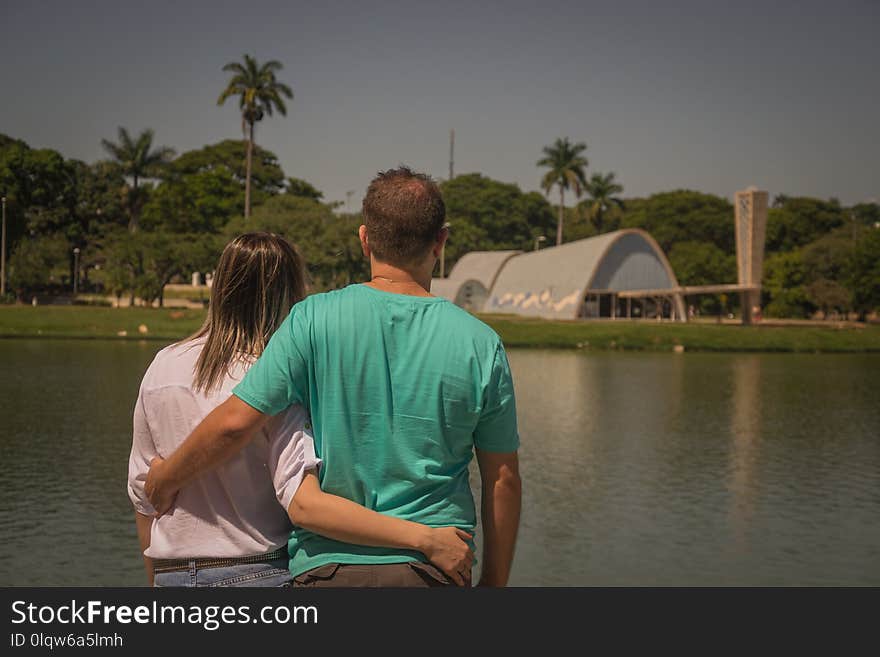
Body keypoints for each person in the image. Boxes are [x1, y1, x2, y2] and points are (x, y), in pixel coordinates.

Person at [146, 167, 522, 587]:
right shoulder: (481, 343)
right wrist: (494, 583)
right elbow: (502, 479)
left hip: (327, 571)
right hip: (434, 570)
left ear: (365, 238)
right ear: (441, 241)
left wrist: (165, 477)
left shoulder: (311, 319)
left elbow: (235, 423)